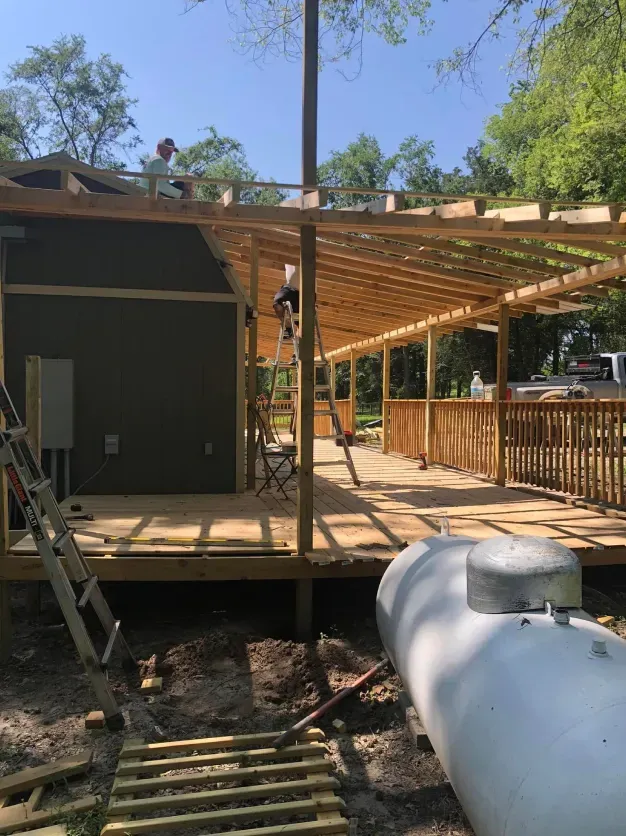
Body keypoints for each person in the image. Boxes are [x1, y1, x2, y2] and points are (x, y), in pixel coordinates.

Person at [273, 265, 300, 338]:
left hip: (307, 291)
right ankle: (288, 327)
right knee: (277, 302)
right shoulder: (289, 253)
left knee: (302, 328)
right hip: (290, 288)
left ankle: (299, 328)